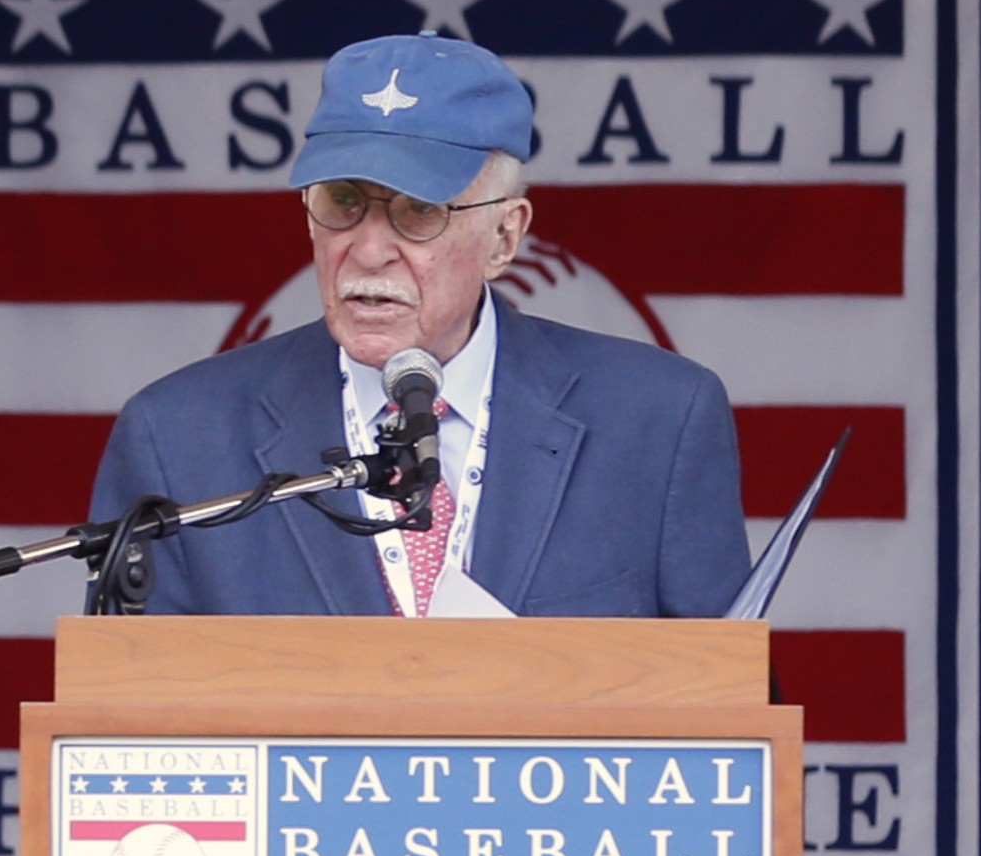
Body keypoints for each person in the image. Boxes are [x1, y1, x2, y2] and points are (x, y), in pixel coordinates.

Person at [86, 34, 749, 621]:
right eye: (343, 202)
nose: (369, 251)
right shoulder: (176, 437)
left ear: (504, 237)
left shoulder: (659, 421)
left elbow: (730, 721)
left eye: (418, 210)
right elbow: (126, 731)